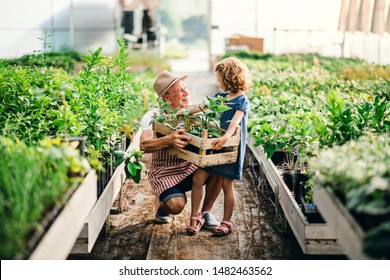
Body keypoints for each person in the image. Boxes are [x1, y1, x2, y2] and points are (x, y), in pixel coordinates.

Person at [139, 70, 221, 229]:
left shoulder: (195, 114)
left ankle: (205, 213)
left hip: (191, 167)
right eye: (180, 90)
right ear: (166, 98)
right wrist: (169, 139)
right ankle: (163, 205)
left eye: (185, 88)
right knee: (176, 206)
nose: (186, 92)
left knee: (219, 166)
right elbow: (144, 145)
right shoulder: (153, 116)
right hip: (165, 172)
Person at [184, 57, 251, 236]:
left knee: (227, 185)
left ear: (228, 76)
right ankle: (195, 218)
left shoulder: (241, 100)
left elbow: (235, 123)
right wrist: (183, 112)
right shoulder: (221, 97)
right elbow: (201, 107)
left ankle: (226, 222)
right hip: (214, 145)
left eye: (220, 77)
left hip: (229, 147)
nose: (218, 81)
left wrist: (225, 138)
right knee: (198, 179)